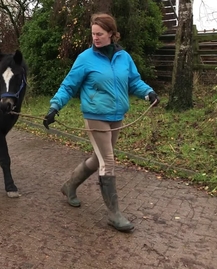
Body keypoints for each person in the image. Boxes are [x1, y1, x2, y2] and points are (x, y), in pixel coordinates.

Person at [43, 13, 160, 232]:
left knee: (98, 159)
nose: (95, 38)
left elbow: (134, 81)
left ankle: (69, 186)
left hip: (117, 116)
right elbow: (69, 85)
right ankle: (114, 214)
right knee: (108, 160)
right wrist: (54, 107)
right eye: (93, 34)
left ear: (112, 34)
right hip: (95, 116)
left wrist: (148, 93)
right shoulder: (86, 58)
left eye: (100, 34)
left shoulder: (123, 57)